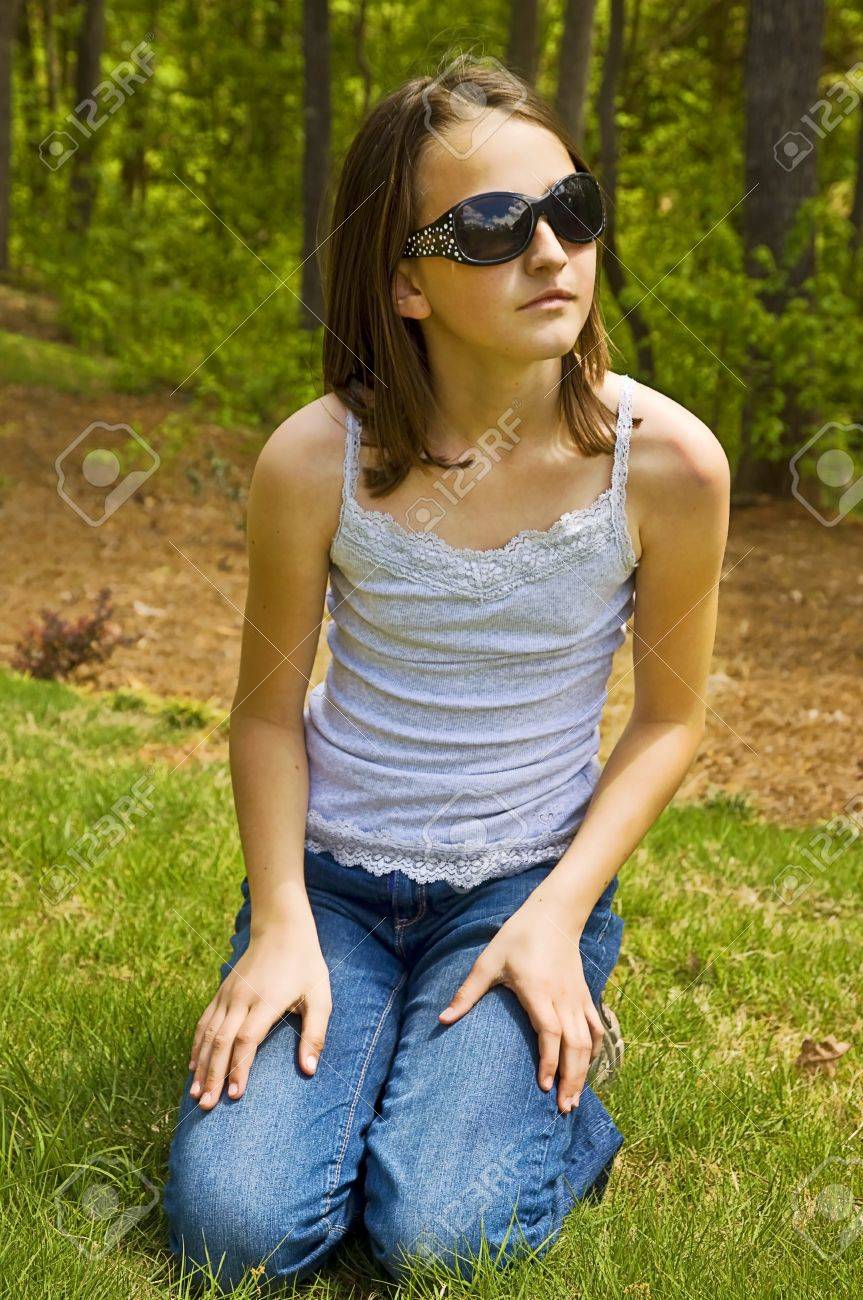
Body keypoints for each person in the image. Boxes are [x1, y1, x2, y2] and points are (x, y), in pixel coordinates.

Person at [162, 53, 730, 1292]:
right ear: (404, 281)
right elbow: (265, 718)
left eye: (570, 209)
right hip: (335, 885)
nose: (550, 252)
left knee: (439, 1230)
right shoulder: (313, 461)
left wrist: (557, 913)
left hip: (520, 887)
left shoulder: (668, 465)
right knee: (233, 1229)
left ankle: (542, 1091)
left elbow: (667, 721)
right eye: (491, 227)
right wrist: (280, 920)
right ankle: (394, 1047)